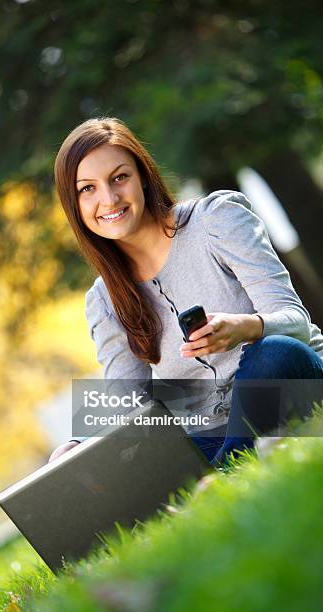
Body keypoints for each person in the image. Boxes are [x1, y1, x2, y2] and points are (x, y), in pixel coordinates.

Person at [49, 116, 323, 465]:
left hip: (293, 380)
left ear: (143, 178)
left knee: (273, 353)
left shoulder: (216, 219)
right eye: (87, 188)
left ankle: (224, 469)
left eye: (120, 177)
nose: (109, 198)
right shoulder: (104, 301)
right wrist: (77, 443)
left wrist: (245, 328)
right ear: (74, 204)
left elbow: (296, 321)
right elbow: (131, 407)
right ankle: (228, 460)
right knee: (136, 451)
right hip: (209, 432)